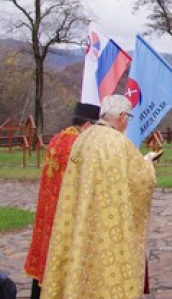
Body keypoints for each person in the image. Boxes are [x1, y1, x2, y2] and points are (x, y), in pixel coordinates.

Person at [41, 95, 156, 299]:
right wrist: (149, 164)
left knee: (82, 257)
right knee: (106, 261)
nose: (128, 120)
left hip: (82, 216)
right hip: (109, 220)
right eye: (128, 116)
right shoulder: (121, 144)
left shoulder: (83, 139)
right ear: (121, 116)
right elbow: (141, 181)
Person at [23, 102, 100, 299]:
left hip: (49, 210)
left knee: (46, 255)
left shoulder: (58, 138)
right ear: (88, 126)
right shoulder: (77, 146)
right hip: (65, 214)